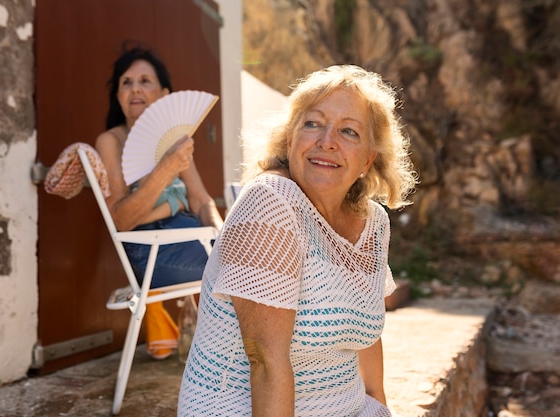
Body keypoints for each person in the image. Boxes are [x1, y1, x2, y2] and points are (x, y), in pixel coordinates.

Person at [178, 65, 416, 416]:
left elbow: (365, 330)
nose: (327, 141)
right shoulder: (270, 203)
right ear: (290, 140)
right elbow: (265, 360)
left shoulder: (374, 223)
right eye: (312, 124)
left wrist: (378, 405)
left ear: (368, 160)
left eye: (348, 131)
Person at [95, 45, 223, 359]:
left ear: (164, 94)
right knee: (238, 271)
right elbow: (122, 220)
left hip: (190, 235)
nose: (135, 87)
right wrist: (166, 167)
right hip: (148, 251)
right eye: (126, 82)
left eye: (145, 81)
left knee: (246, 255)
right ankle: (234, 362)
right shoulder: (111, 141)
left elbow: (200, 198)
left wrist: (224, 235)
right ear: (119, 96)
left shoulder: (174, 138)